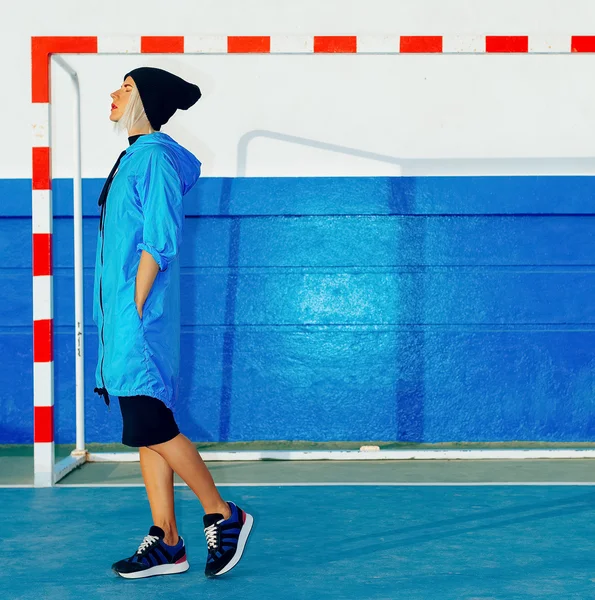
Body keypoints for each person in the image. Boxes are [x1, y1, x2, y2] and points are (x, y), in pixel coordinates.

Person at [93, 67, 253, 579]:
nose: (114, 94)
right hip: (124, 319)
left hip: (138, 318)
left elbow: (158, 239)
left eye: (126, 87)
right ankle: (168, 540)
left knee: (153, 425)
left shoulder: (156, 157)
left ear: (148, 100)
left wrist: (133, 308)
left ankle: (223, 514)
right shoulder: (134, 156)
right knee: (144, 431)